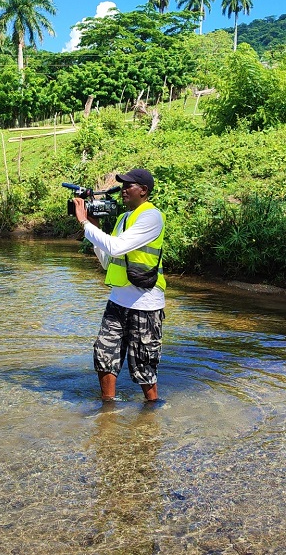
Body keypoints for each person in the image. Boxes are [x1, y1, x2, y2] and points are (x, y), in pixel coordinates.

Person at [73, 168, 166, 403]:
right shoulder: (124, 219)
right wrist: (95, 228)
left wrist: (85, 223)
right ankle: (107, 410)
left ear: (143, 191)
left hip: (145, 304)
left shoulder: (151, 216)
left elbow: (115, 247)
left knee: (143, 364)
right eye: (122, 186)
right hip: (117, 301)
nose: (123, 190)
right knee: (104, 355)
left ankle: (152, 411)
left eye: (129, 186)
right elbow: (108, 259)